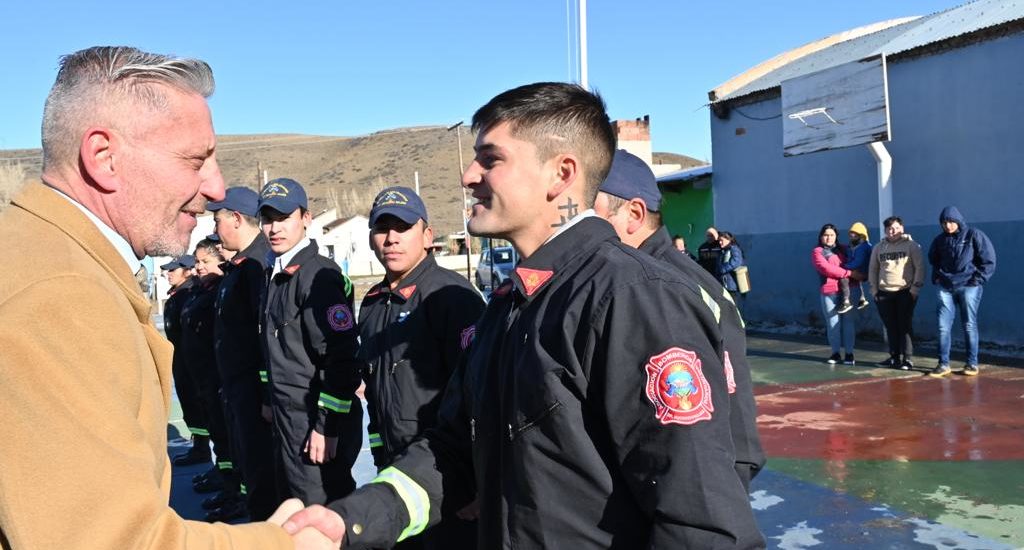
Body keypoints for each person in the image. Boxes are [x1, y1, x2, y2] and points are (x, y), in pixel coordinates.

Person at [283, 82, 764, 549]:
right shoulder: (511, 305)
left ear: (561, 175)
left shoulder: (633, 298)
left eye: (490, 159)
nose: (468, 176)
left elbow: (701, 518)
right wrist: (352, 520)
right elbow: (454, 452)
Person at [0, 46, 333, 549]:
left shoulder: (46, 259)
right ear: (103, 157)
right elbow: (112, 541)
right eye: (196, 160)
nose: (216, 188)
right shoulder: (60, 295)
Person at [594, 149, 765, 491]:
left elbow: (718, 418)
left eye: (589, 213)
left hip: (695, 489)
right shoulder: (620, 281)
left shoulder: (670, 288)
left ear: (633, 213)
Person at [359, 185, 485, 548]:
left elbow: (479, 398)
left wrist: (476, 484)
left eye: (403, 227)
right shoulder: (373, 304)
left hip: (449, 482)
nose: (391, 238)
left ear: (427, 236)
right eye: (382, 228)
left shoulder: (451, 297)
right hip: (398, 475)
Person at [259, 177, 363, 505]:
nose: (274, 228)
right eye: (267, 219)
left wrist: (326, 426)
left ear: (306, 218)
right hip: (288, 420)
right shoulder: (276, 274)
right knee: (292, 509)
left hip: (313, 424)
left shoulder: (319, 276)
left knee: (322, 514)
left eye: (283, 217)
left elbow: (341, 355)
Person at [206, 186, 279, 521]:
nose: (215, 228)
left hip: (254, 393)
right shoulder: (240, 265)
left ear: (236, 218)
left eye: (218, 219)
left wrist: (264, 394)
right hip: (238, 389)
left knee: (262, 469)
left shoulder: (257, 265)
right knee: (248, 463)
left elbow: (264, 337)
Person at [927, 206, 996, 377]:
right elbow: (933, 260)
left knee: (969, 324)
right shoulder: (939, 240)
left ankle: (972, 364)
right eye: (944, 223)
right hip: (946, 287)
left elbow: (989, 260)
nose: (948, 225)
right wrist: (936, 277)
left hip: (969, 286)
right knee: (943, 327)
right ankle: (943, 364)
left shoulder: (973, 235)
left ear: (958, 220)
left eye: (951, 221)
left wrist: (976, 280)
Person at [162, 255, 211, 467]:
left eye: (174, 270)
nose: (168, 273)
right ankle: (198, 444)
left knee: (196, 403)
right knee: (189, 403)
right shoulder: (178, 294)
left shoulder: (188, 294)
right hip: (181, 358)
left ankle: (202, 448)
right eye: (168, 270)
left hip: (190, 359)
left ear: (188, 271)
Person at [868, 216, 925, 370]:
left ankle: (907, 359)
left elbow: (919, 268)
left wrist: (915, 289)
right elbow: (873, 269)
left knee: (904, 325)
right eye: (888, 229)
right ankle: (894, 357)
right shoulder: (879, 247)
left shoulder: (912, 246)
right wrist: (874, 290)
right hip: (884, 293)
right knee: (890, 326)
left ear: (902, 228)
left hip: (904, 292)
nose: (892, 231)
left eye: (895, 228)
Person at [812, 224, 858, 365]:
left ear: (836, 236)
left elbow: (861, 253)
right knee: (833, 324)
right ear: (821, 236)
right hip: (829, 291)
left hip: (849, 290)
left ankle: (849, 354)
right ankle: (835, 353)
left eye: (832, 235)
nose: (829, 238)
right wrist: (848, 273)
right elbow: (826, 269)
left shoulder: (844, 249)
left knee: (849, 323)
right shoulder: (817, 251)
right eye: (826, 235)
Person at [837, 222, 872, 314]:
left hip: (863, 271)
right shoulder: (852, 246)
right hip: (855, 269)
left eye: (855, 236)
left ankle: (846, 301)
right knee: (854, 280)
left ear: (861, 236)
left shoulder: (864, 247)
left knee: (844, 278)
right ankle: (862, 299)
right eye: (851, 235)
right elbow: (849, 256)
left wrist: (845, 267)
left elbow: (858, 261)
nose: (852, 237)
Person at [716, 231, 746, 307]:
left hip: (732, 284)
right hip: (725, 284)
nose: (720, 242)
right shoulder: (724, 250)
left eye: (721, 240)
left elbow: (737, 261)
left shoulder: (734, 249)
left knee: (732, 307)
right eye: (719, 240)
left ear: (728, 240)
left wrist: (723, 269)